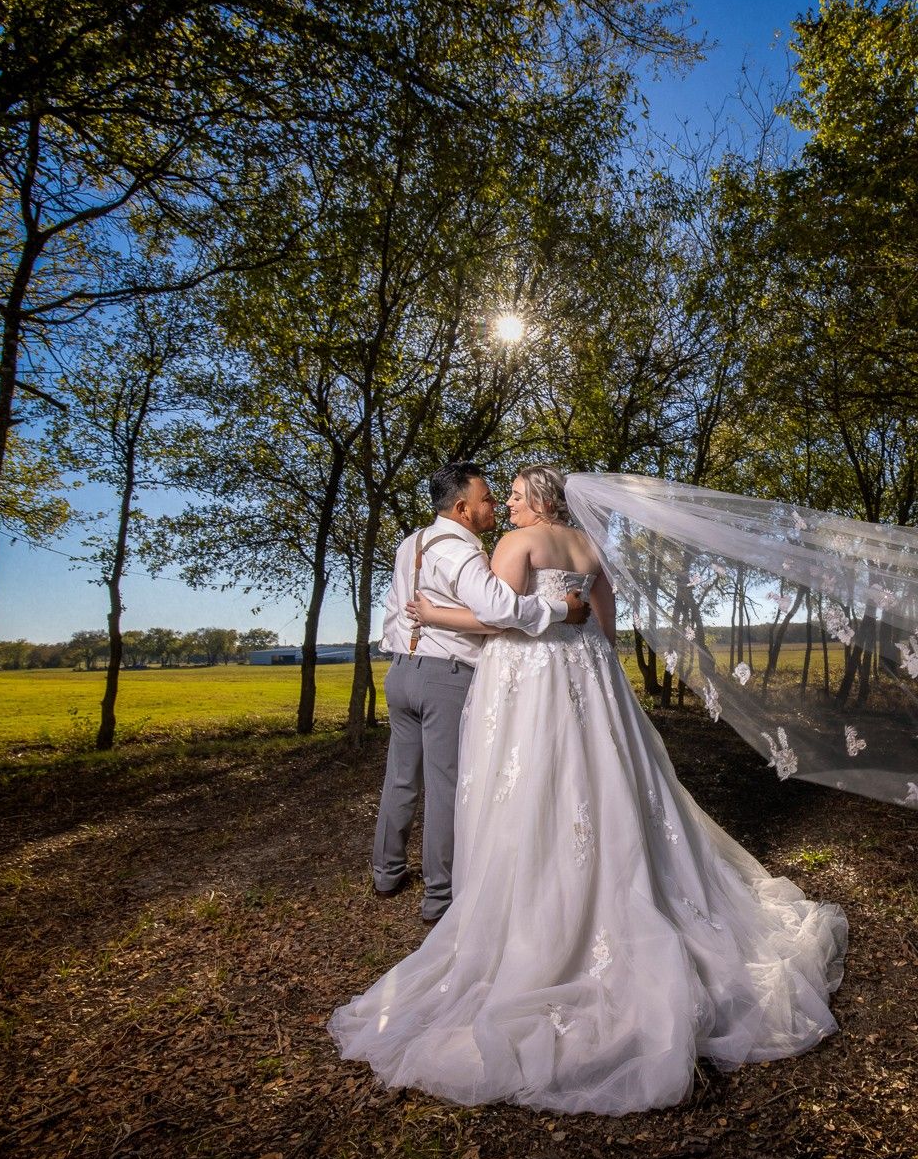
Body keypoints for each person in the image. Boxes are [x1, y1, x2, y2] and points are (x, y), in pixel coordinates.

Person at [330, 465, 848, 1115]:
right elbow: (604, 628)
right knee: (608, 781)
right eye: (501, 496)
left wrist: (433, 613)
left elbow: (503, 622)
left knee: (534, 784)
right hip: (592, 678)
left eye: (514, 495)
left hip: (534, 678)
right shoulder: (592, 547)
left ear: (538, 501)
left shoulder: (514, 545)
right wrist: (587, 662)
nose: (507, 504)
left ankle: (536, 901)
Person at [372, 462, 591, 924]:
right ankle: (440, 897)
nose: (495, 505)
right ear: (463, 508)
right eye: (488, 498)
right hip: (443, 676)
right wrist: (560, 608)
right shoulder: (461, 551)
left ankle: (386, 873)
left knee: (401, 778)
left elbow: (397, 609)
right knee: (447, 786)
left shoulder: (411, 544)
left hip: (401, 671)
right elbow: (498, 609)